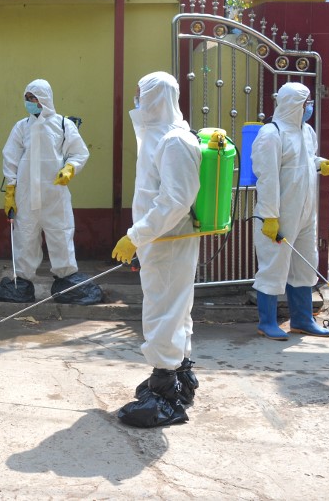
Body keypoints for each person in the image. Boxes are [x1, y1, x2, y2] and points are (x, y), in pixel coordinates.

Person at [111, 72, 200, 427]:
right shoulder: (157, 137)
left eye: (140, 94)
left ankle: (166, 393)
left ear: (156, 97)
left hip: (168, 241)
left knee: (165, 311)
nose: (136, 100)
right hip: (161, 242)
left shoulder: (174, 141)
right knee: (173, 309)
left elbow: (175, 201)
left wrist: (137, 234)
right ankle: (177, 377)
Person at [251, 82, 329, 341]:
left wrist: (319, 164)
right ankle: (267, 322)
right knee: (273, 267)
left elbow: (303, 161)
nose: (309, 107)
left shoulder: (307, 131)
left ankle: (302, 319)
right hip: (279, 214)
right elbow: (266, 177)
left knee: (305, 264)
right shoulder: (271, 133)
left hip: (306, 212)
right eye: (306, 103)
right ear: (294, 104)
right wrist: (269, 215)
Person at [1, 79, 89, 292]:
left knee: (61, 234)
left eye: (33, 97)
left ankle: (66, 280)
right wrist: (10, 190)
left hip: (54, 194)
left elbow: (79, 152)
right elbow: (10, 158)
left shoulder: (62, 124)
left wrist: (70, 168)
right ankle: (21, 281)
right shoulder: (22, 127)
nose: (29, 102)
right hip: (26, 195)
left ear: (45, 98)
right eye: (27, 98)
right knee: (25, 237)